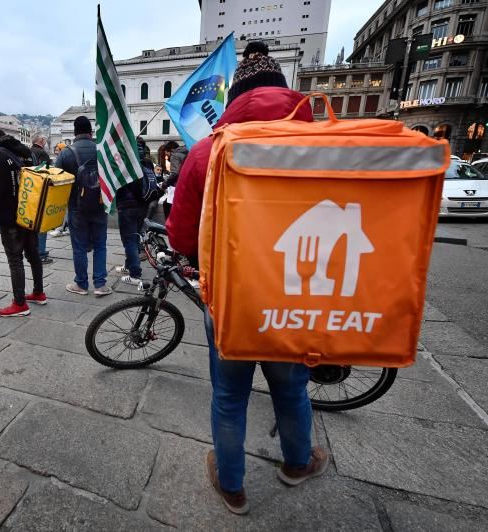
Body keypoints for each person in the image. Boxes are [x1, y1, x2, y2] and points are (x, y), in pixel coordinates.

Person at [166, 50, 327, 515]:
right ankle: (298, 463)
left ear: (233, 99)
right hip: (299, 294)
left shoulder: (205, 152)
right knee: (292, 388)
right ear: (287, 92)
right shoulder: (324, 146)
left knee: (230, 395)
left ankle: (232, 486)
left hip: (231, 298)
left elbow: (178, 234)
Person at [0, 128, 46, 317]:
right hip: (29, 213)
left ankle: (20, 304)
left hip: (10, 216)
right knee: (33, 255)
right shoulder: (26, 153)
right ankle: (38, 292)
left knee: (15, 260)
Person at [53, 116, 111, 297]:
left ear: (75, 131)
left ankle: (81, 283)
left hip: (77, 207)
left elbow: (55, 179)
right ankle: (100, 285)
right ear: (91, 132)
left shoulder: (66, 153)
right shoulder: (101, 150)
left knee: (79, 247)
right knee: (100, 245)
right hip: (100, 205)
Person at [113, 137, 149, 285]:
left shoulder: (125, 163)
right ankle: (129, 266)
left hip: (127, 205)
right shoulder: (146, 162)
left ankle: (135, 274)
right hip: (142, 205)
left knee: (129, 239)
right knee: (134, 237)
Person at [30, 135, 54, 265]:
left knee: (32, 224)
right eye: (45, 141)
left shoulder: (28, 151)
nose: (45, 143)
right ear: (41, 141)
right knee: (41, 224)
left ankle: (32, 250)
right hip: (40, 192)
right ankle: (41, 253)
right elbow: (46, 172)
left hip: (29, 192)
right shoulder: (42, 153)